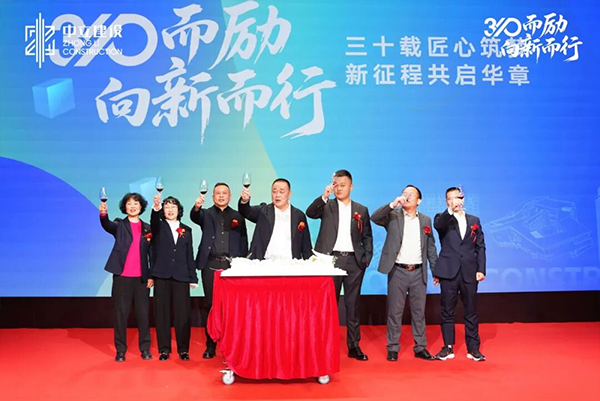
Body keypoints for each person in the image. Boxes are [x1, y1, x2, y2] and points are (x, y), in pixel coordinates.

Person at [306, 170, 373, 361]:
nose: (339, 188)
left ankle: (354, 346)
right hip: (330, 260)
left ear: (351, 187)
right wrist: (324, 196)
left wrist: (366, 259)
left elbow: (367, 236)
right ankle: (323, 345)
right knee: (327, 304)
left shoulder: (361, 209)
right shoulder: (327, 205)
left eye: (343, 185)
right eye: (336, 185)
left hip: (354, 261)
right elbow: (310, 213)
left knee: (353, 305)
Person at [371, 185, 438, 362]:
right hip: (398, 270)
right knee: (395, 311)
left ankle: (420, 347)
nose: (407, 196)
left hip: (418, 271)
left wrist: (436, 271)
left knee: (419, 312)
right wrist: (392, 204)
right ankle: (393, 347)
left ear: (419, 201)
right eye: (404, 193)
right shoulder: (393, 215)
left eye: (411, 194)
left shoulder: (425, 220)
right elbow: (374, 217)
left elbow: (431, 247)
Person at [190, 182, 248, 359]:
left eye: (224, 193)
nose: (221, 196)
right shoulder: (206, 214)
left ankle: (231, 344)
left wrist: (243, 263)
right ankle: (210, 345)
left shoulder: (238, 215)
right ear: (213, 197)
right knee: (210, 305)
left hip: (232, 266)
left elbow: (243, 240)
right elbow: (195, 216)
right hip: (210, 265)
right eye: (218, 193)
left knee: (232, 307)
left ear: (230, 196)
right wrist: (197, 207)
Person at [433, 187, 486, 362]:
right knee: (447, 310)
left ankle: (473, 348)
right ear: (446, 201)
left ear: (463, 200)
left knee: (471, 310)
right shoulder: (442, 218)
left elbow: (480, 246)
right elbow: (438, 226)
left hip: (469, 271)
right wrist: (450, 210)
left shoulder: (474, 220)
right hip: (448, 271)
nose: (455, 201)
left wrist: (481, 269)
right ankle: (448, 347)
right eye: (451, 198)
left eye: (458, 197)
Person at [99, 193, 153, 362]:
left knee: (143, 315)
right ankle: (120, 350)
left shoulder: (147, 228)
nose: (132, 206)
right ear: (125, 207)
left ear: (141, 207)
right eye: (129, 203)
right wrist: (103, 214)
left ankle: (145, 349)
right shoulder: (119, 225)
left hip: (141, 279)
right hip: (122, 278)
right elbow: (107, 225)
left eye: (136, 203)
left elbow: (151, 254)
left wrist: (151, 276)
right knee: (120, 315)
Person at [151, 194, 198, 361]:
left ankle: (183, 349)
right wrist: (156, 207)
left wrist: (193, 277)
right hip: (162, 275)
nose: (170, 210)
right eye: (167, 207)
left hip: (181, 275)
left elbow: (189, 254)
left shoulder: (187, 230)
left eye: (173, 207)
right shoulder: (158, 226)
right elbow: (154, 220)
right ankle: (164, 349)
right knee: (162, 314)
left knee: (182, 314)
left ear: (179, 210)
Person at [239, 178, 312, 260]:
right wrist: (244, 201)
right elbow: (246, 211)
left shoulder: (299, 215)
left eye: (281, 192)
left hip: (290, 263)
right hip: (264, 262)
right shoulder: (263, 212)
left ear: (289, 194)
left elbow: (306, 244)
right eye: (274, 191)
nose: (277, 195)